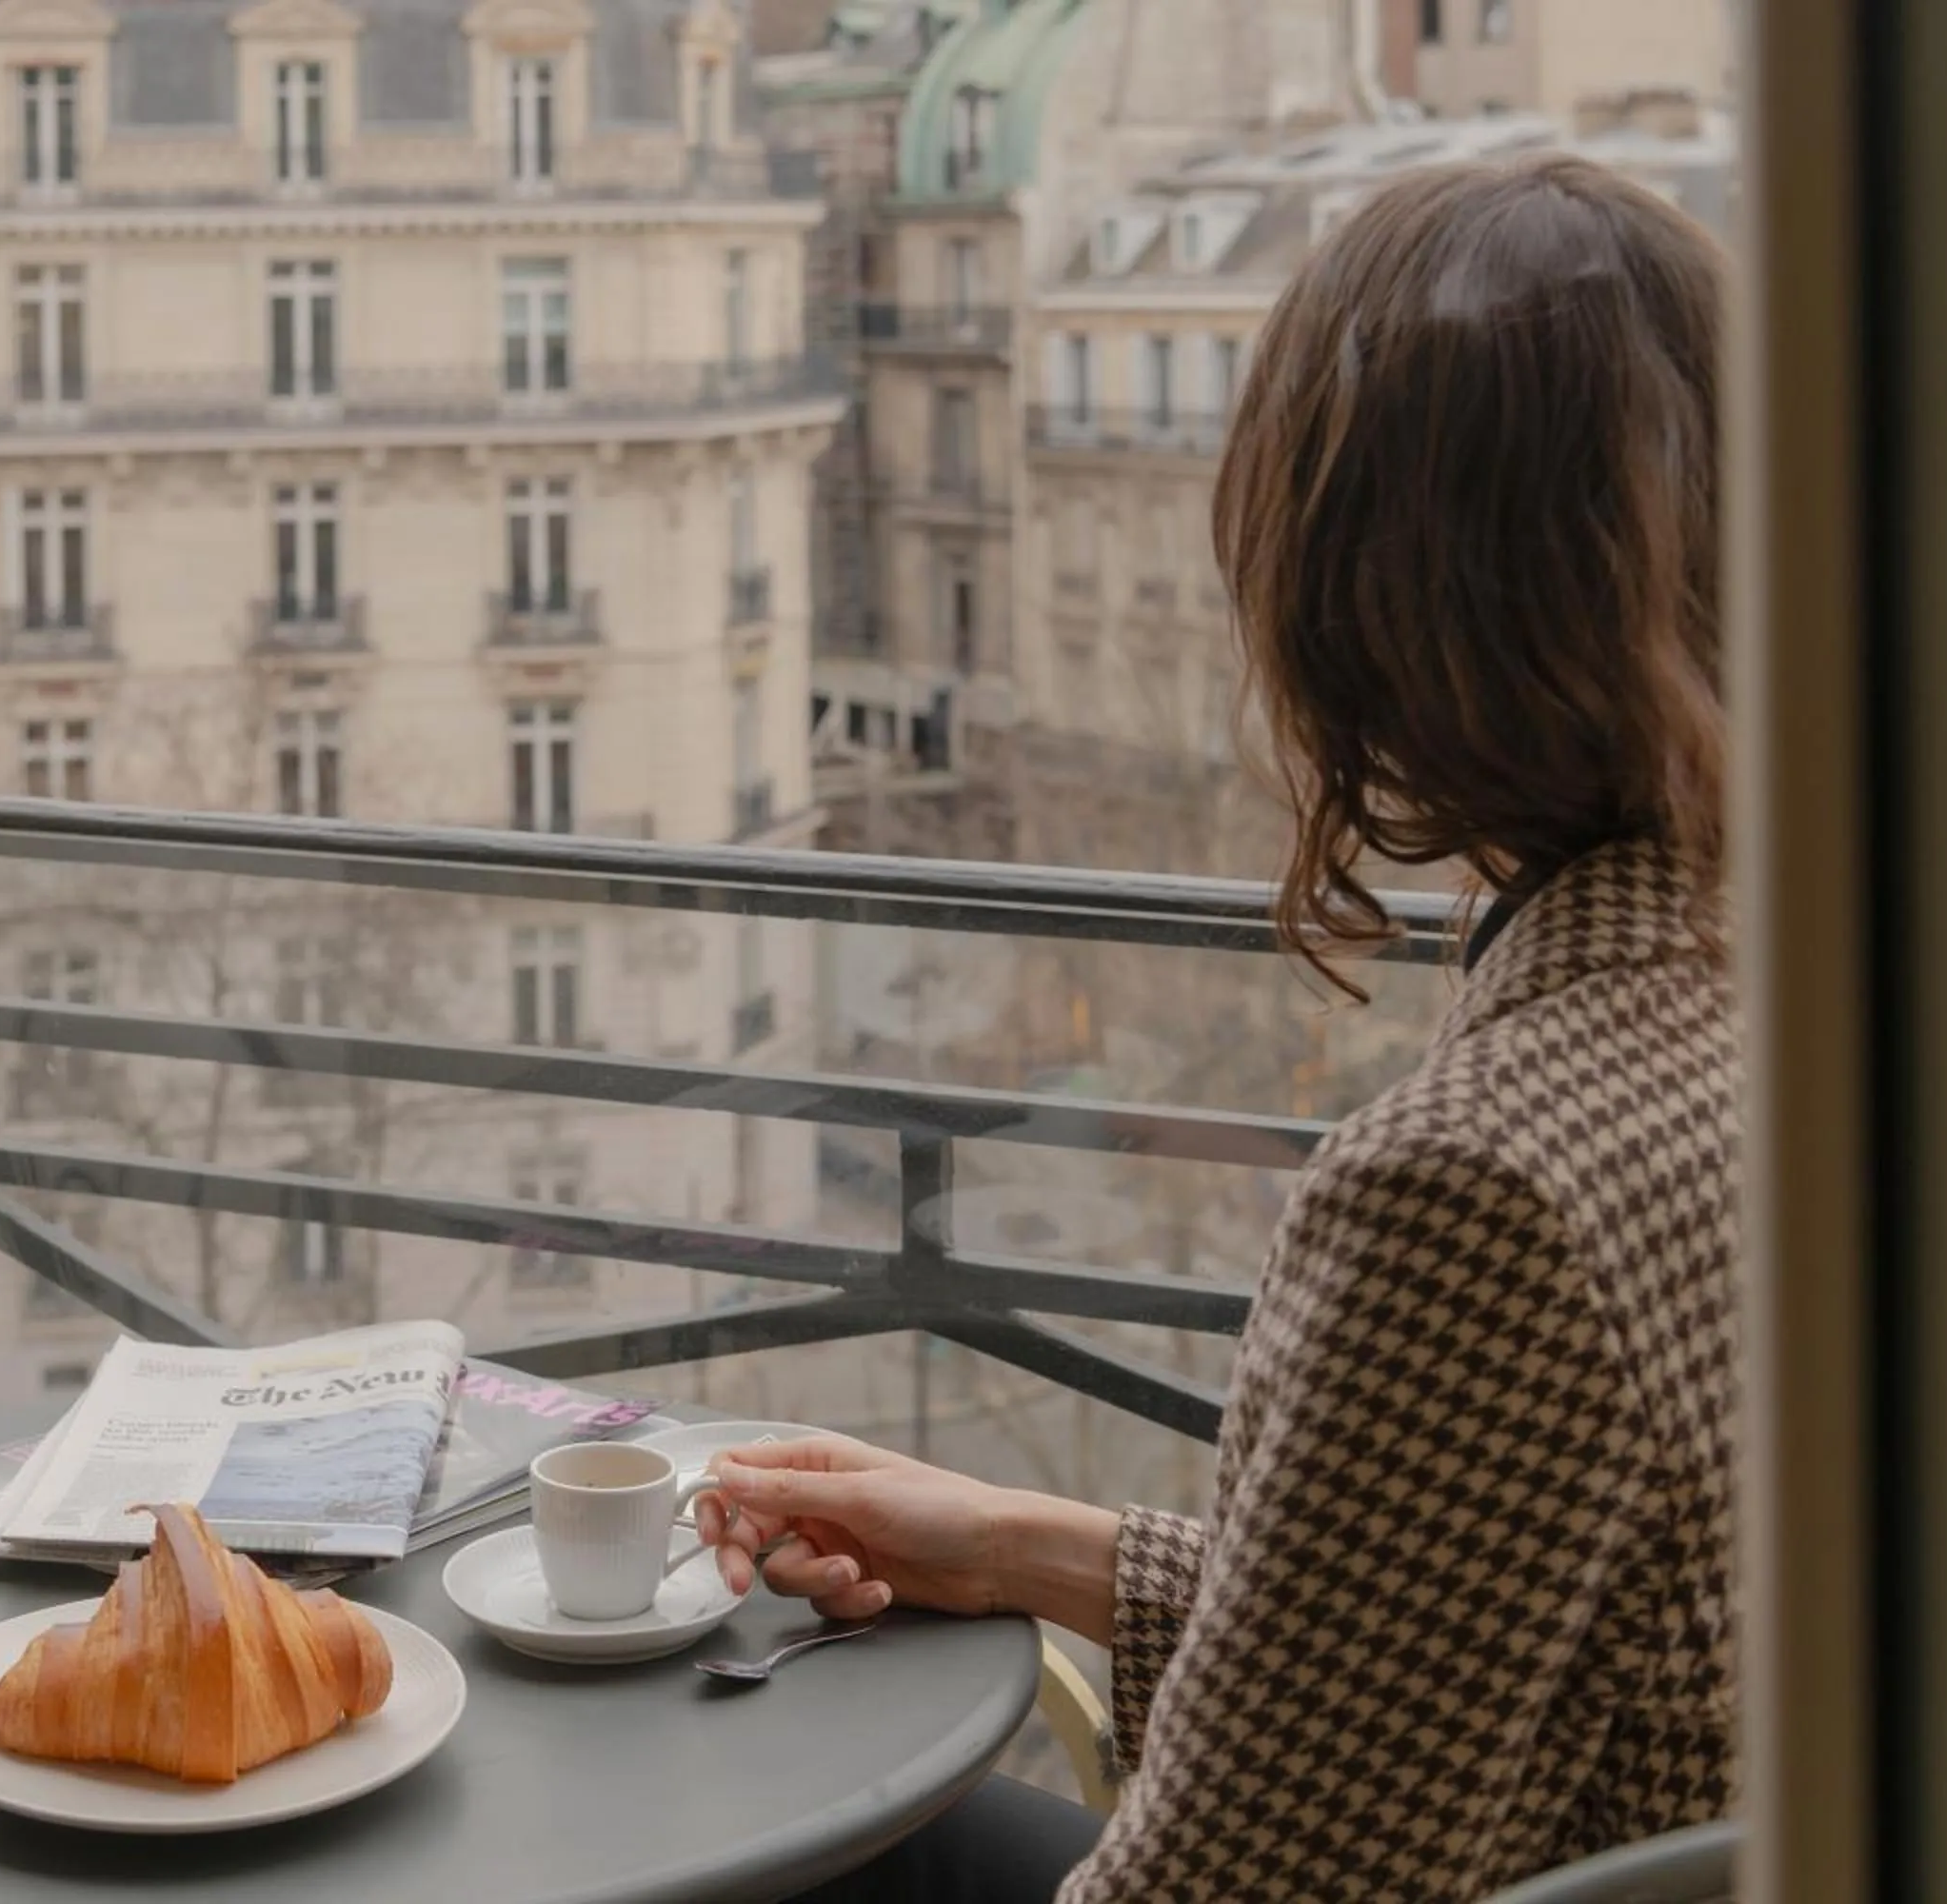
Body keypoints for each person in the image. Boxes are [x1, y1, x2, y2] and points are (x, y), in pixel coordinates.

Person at [707, 153, 1738, 1904]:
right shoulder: (1807, 975)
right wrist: (1024, 1544)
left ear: (1354, 610)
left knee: (767, 1832)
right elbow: (1454, 1635)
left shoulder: (1479, 1192)